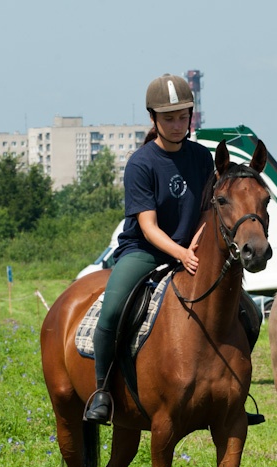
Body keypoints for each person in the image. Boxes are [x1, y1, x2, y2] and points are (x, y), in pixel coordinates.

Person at [84, 74, 213, 424]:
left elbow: (206, 209)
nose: (176, 124)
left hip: (191, 249)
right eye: (168, 118)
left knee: (242, 310)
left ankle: (229, 392)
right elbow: (148, 226)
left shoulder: (203, 158)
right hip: (145, 251)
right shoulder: (141, 163)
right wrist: (181, 253)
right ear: (153, 119)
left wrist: (197, 242)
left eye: (182, 116)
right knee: (111, 311)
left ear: (191, 115)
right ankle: (102, 391)